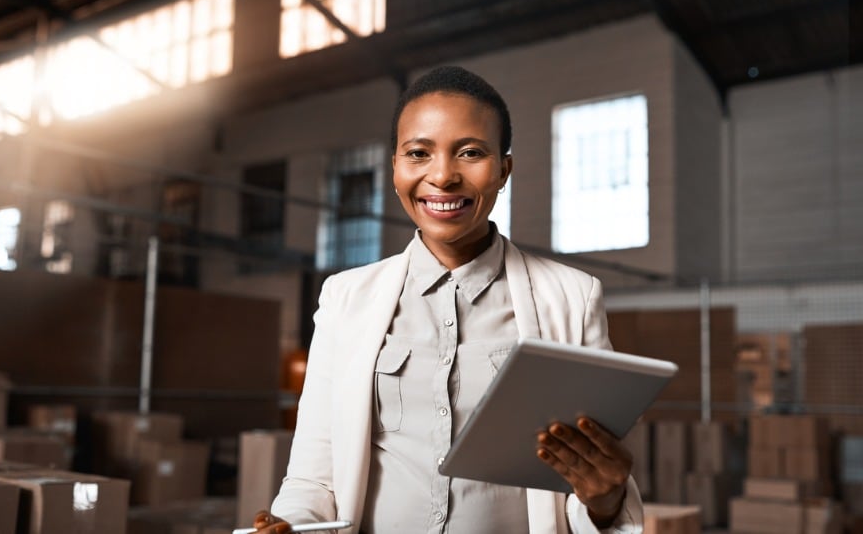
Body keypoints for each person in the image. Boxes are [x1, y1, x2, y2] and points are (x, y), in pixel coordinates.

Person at [246, 66, 643, 533]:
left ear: (503, 170)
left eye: (471, 153)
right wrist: (291, 524)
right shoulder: (345, 298)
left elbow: (588, 483)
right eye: (418, 153)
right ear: (394, 167)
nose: (443, 176)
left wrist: (606, 500)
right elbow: (314, 475)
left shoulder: (572, 299)